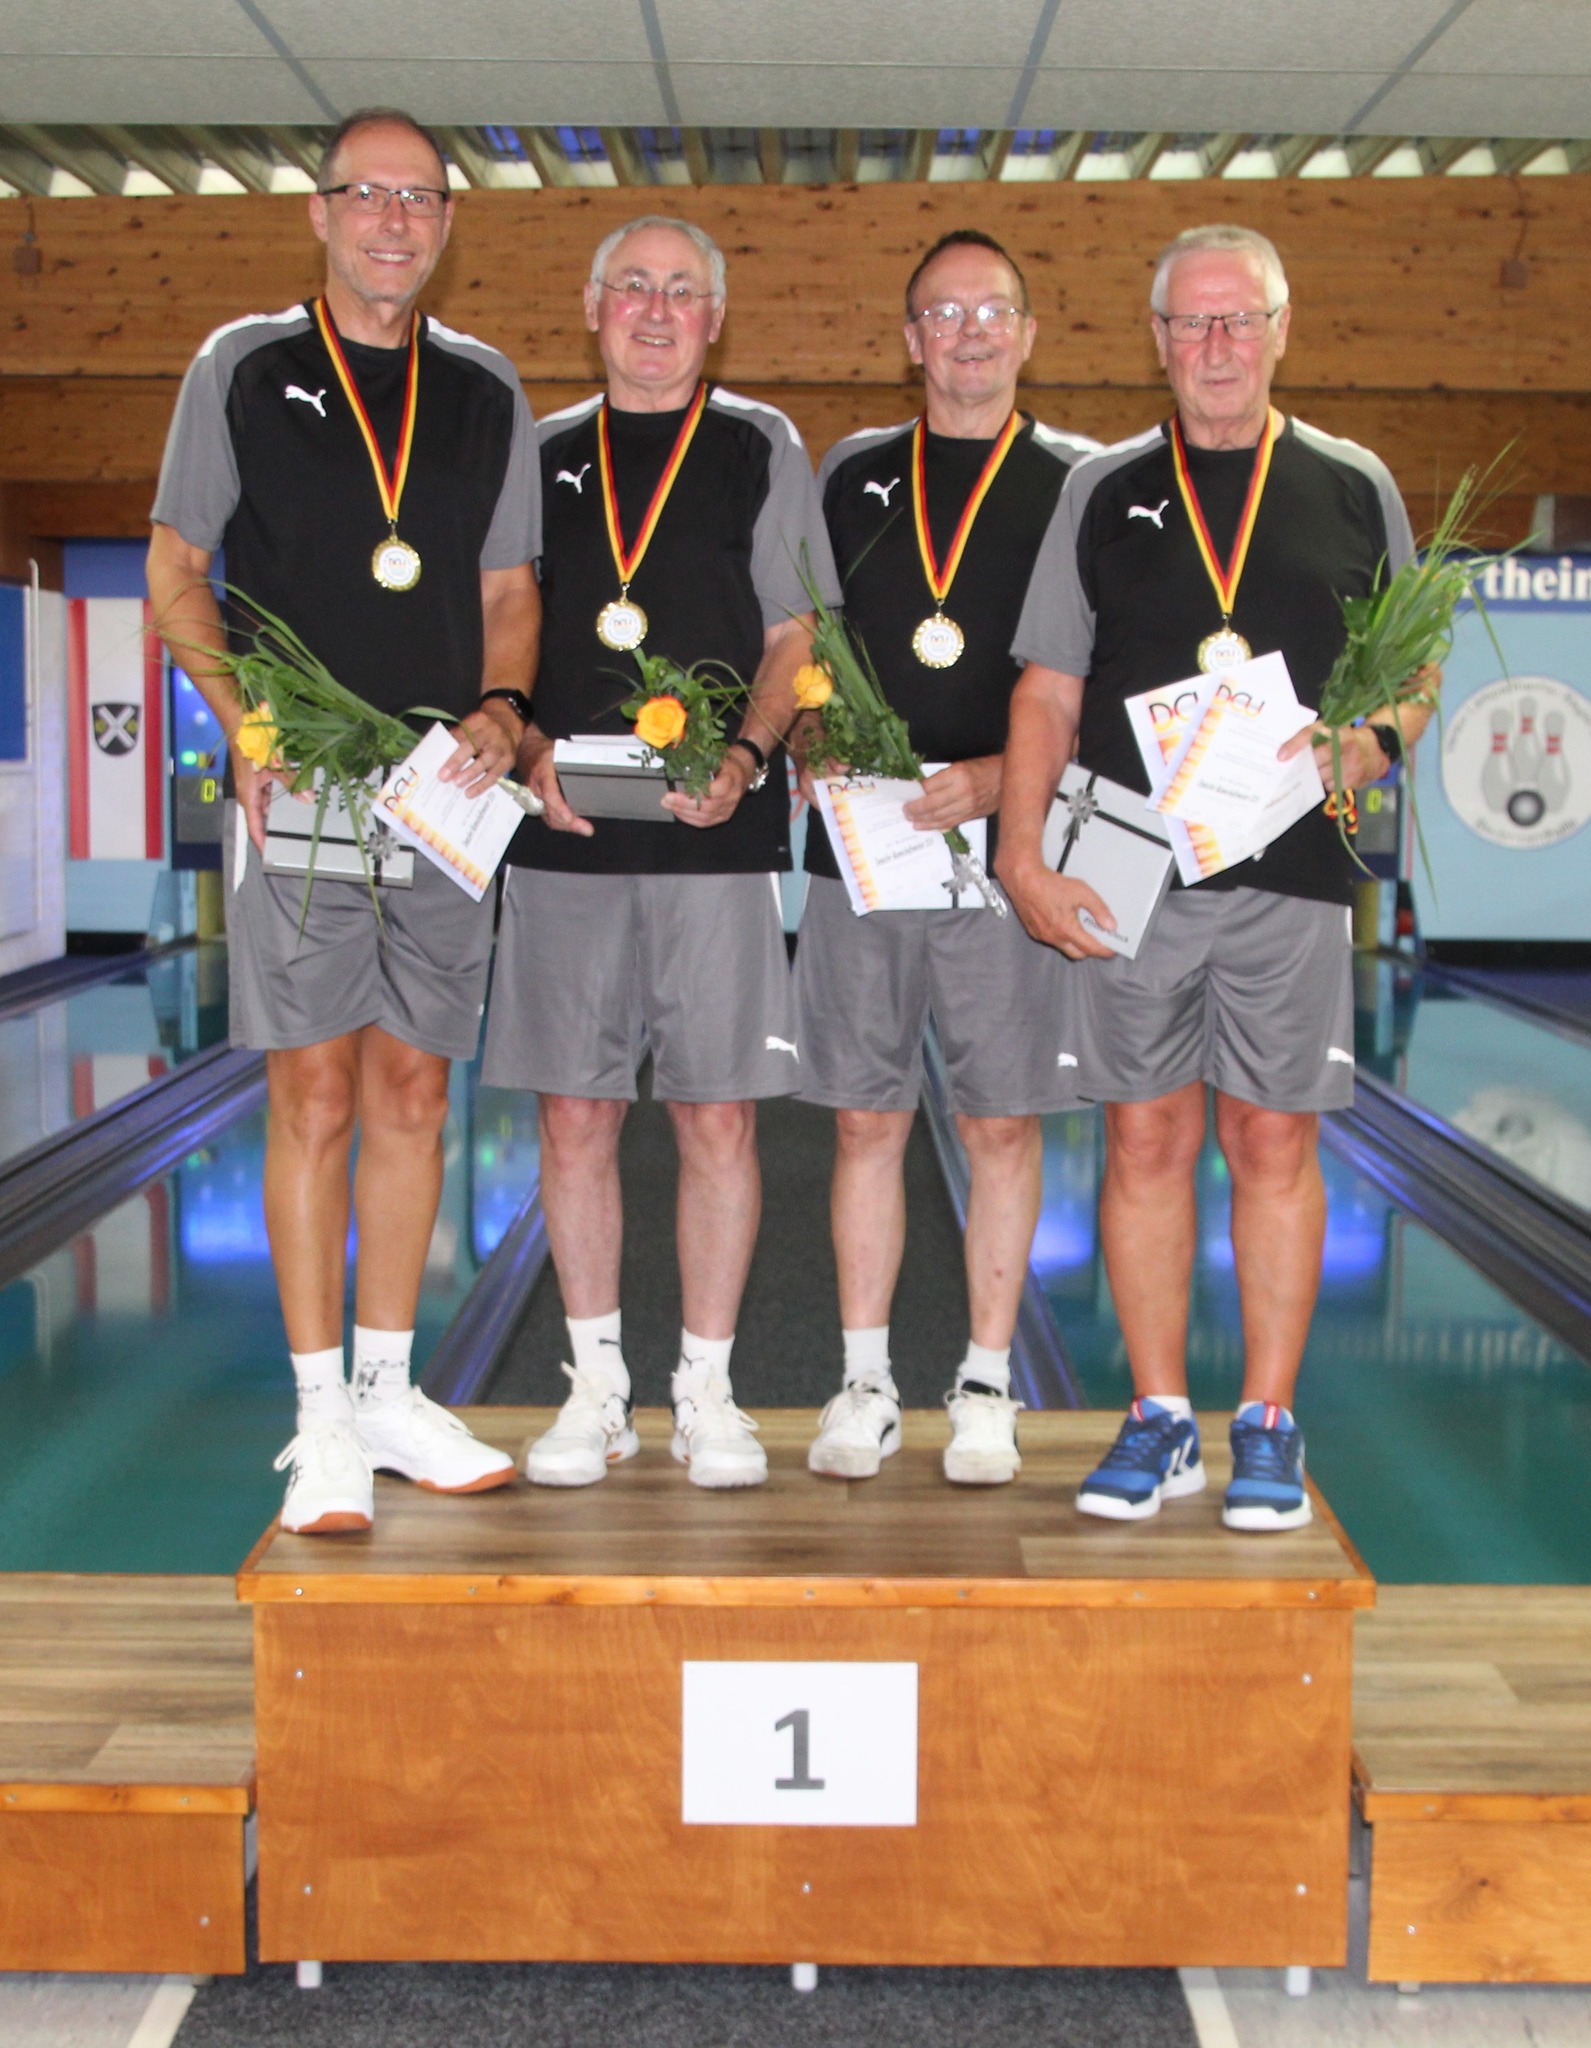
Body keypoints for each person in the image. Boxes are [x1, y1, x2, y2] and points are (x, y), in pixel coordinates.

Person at [998, 222, 1433, 1531]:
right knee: (1142, 1135)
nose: (1214, 346)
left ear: (1278, 329)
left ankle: (1262, 1420)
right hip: (1133, 872)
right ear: (1156, 342)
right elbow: (1046, 688)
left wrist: (1370, 743)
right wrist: (1018, 851)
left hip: (1291, 871)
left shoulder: (1352, 484)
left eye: (1236, 320)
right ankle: (1152, 1417)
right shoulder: (1101, 490)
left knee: (1270, 1136)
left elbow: (1413, 670)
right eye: (1188, 324)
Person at [147, 108, 542, 1534]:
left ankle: (388, 1388)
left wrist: (503, 708)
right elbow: (177, 567)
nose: (393, 220)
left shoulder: (486, 388)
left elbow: (508, 594)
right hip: (306, 776)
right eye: (366, 196)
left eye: (419, 199)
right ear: (319, 213)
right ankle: (318, 1414)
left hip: (441, 790)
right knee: (311, 1090)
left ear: (445, 223)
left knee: (416, 1091)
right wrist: (242, 719)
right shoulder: (242, 368)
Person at [482, 215, 839, 1491]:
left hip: (716, 832)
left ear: (712, 319)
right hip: (564, 832)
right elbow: (502, 617)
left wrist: (746, 755)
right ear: (590, 306)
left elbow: (796, 632)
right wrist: (524, 751)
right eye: (630, 286)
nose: (652, 309)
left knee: (716, 1115)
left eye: (680, 292)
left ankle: (707, 1388)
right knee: (573, 1115)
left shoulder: (759, 445)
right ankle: (593, 1388)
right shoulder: (539, 452)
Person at [794, 230, 1099, 1485]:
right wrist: (810, 733)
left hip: (1003, 843)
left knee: (1001, 1126)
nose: (968, 331)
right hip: (862, 851)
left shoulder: (1080, 483)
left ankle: (985, 1380)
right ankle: (863, 1378)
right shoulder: (850, 473)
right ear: (911, 337)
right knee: (864, 1119)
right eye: (942, 312)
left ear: (1028, 335)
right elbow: (802, 643)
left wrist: (1001, 782)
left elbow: (1103, 678)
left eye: (993, 311)